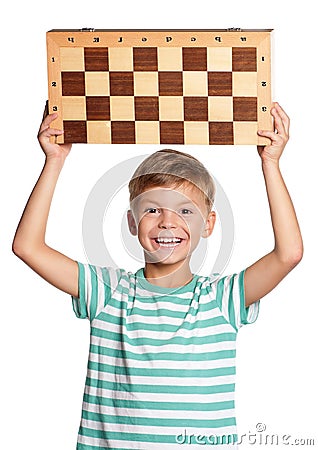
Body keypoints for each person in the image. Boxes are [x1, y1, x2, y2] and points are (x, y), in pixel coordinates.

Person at [12, 103, 303, 449]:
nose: (167, 222)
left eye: (185, 210)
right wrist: (54, 161)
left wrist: (270, 163)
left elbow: (289, 254)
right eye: (152, 209)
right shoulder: (107, 292)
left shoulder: (221, 299)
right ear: (132, 223)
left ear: (207, 225)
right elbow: (27, 246)